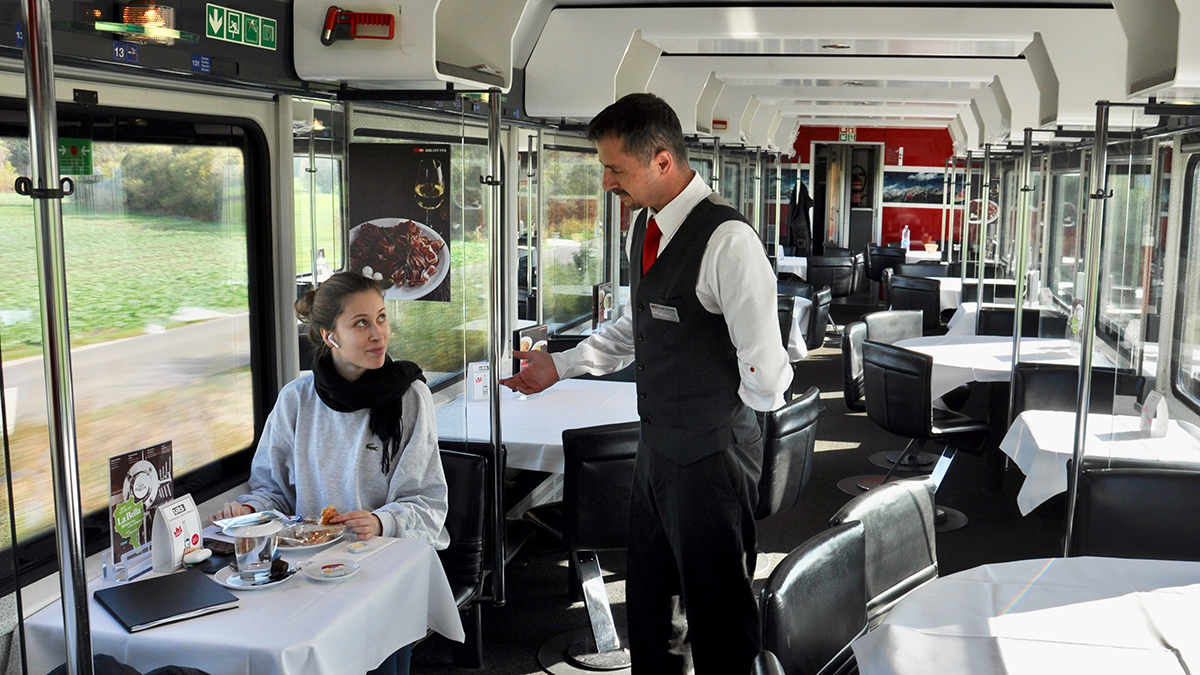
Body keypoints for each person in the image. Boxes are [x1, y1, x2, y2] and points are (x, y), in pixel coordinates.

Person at [500, 93, 791, 675]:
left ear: (662, 161)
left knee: (718, 612)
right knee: (654, 602)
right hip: (655, 447)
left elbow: (766, 367)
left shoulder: (727, 241)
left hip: (711, 452)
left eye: (615, 169)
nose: (606, 182)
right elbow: (637, 324)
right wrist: (560, 365)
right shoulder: (647, 229)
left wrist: (732, 439)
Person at [213, 271, 448, 675]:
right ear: (329, 336)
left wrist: (380, 520)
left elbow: (428, 502)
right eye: (361, 323)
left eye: (381, 318)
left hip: (384, 566)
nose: (379, 334)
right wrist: (248, 510)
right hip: (307, 570)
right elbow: (272, 490)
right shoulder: (296, 399)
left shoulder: (409, 397)